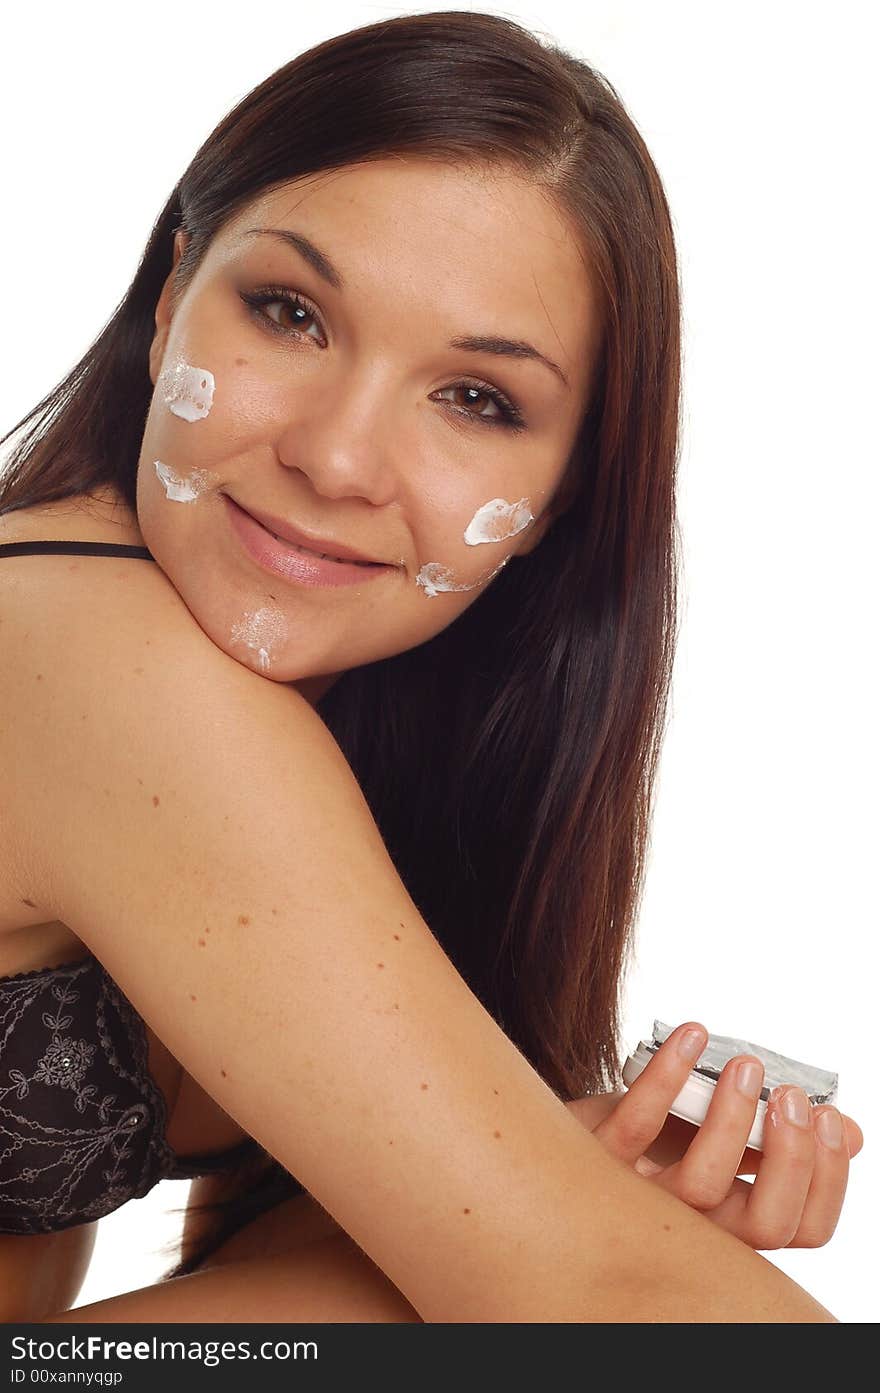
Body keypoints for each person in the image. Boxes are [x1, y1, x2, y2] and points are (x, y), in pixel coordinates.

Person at [0, 10, 861, 1323]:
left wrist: (557, 1171)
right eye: (290, 313)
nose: (337, 457)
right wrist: (582, 1229)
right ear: (173, 296)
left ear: (566, 494)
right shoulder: (96, 648)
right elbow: (597, 1289)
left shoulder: (347, 740)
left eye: (476, 399)